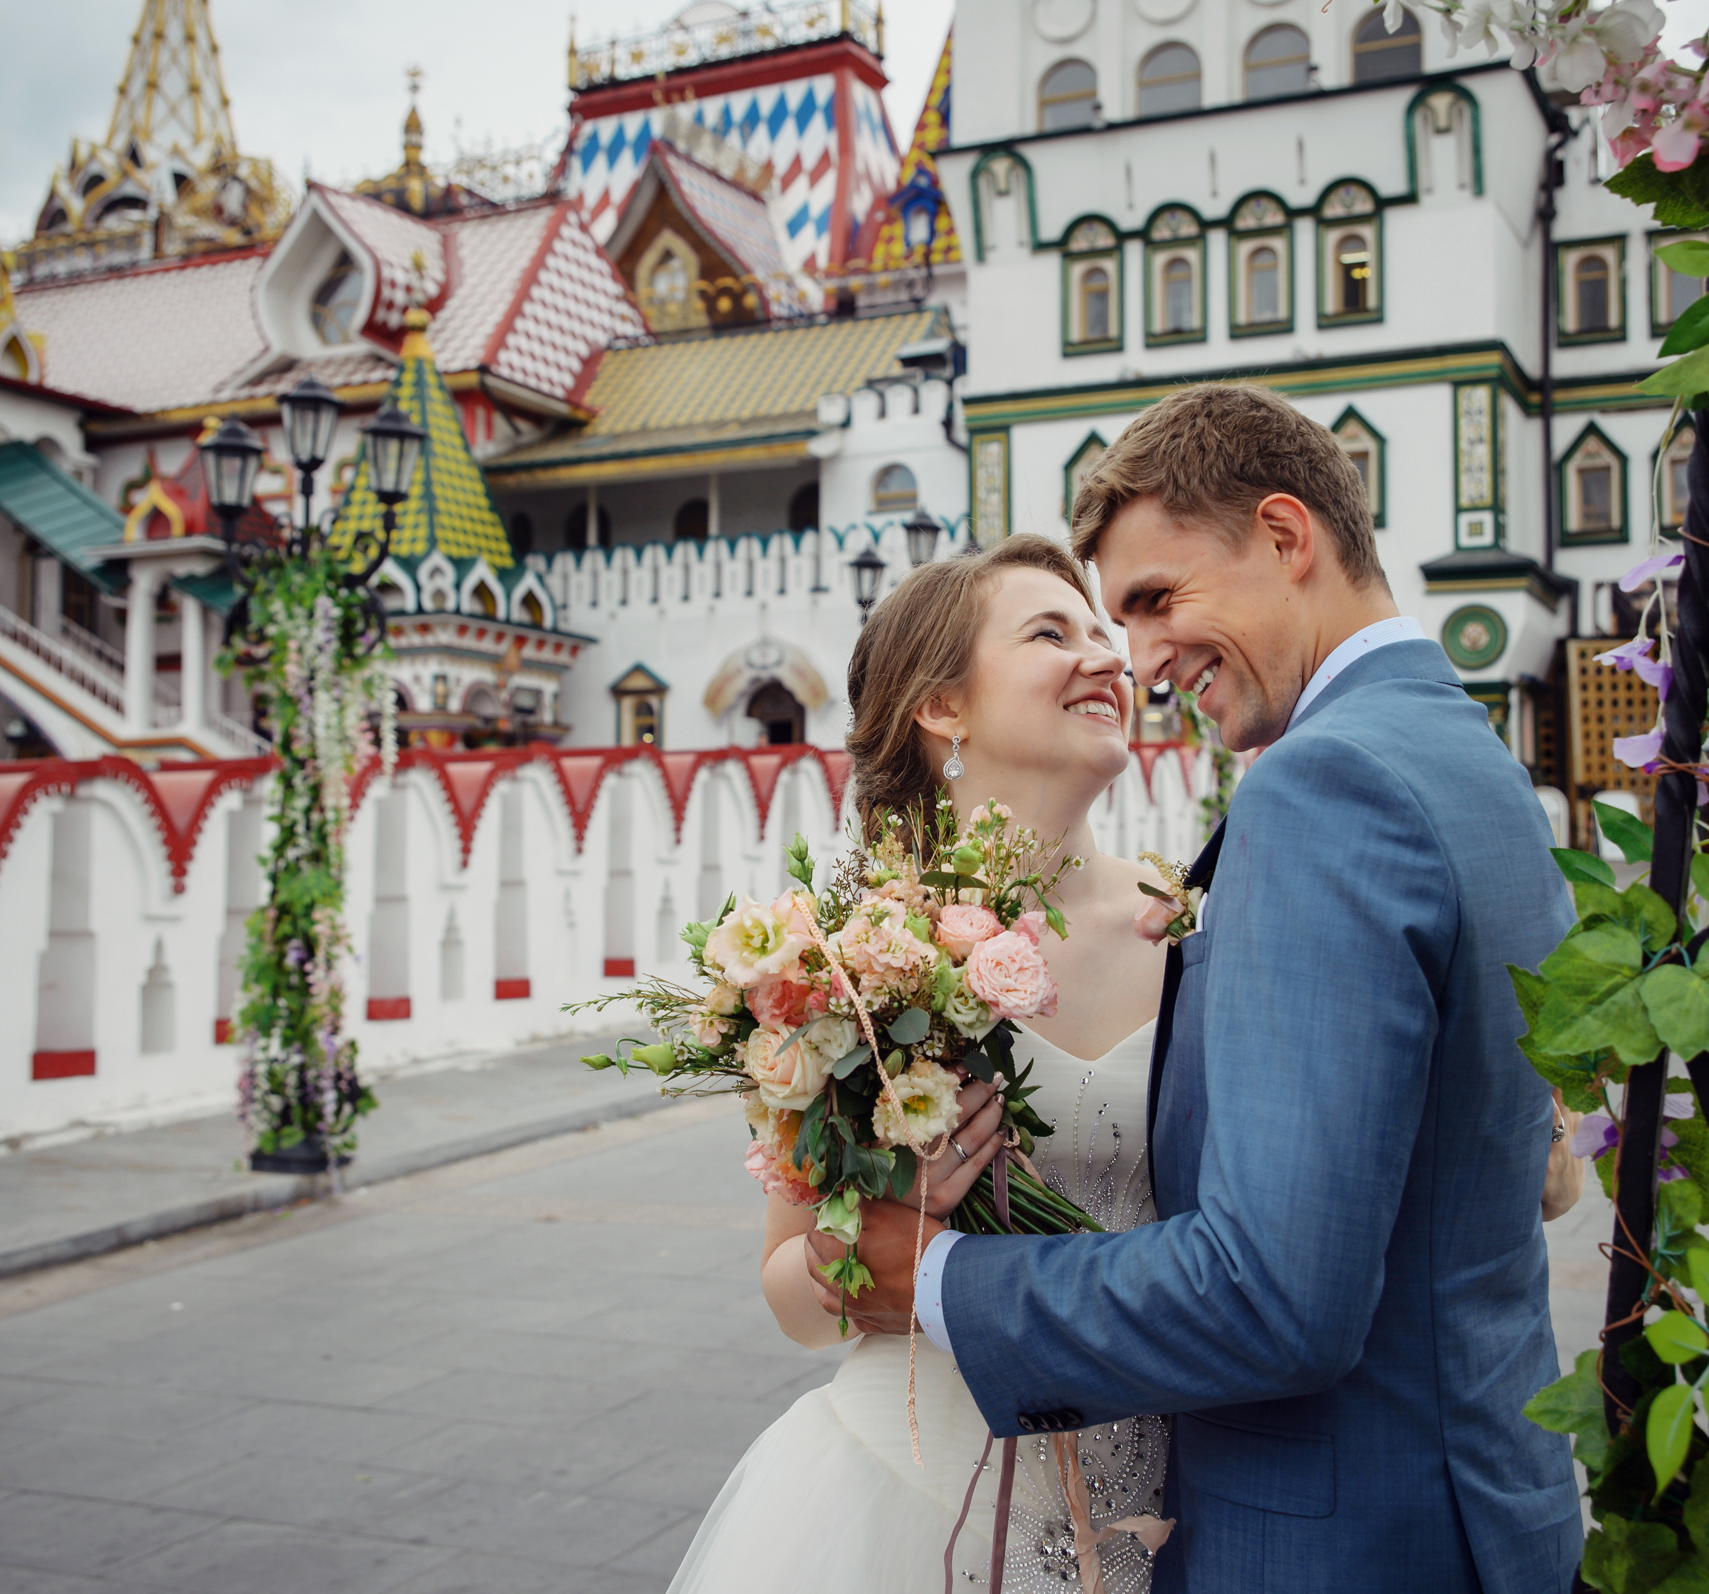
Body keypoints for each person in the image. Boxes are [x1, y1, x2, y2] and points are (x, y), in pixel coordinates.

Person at [671, 509, 1580, 1590]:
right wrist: (876, 1241)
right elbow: (788, 1292)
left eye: (1108, 630)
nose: (1111, 655)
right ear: (943, 704)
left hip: (1173, 1499)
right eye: (1054, 634)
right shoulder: (853, 961)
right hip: (922, 1499)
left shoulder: (1200, 913)